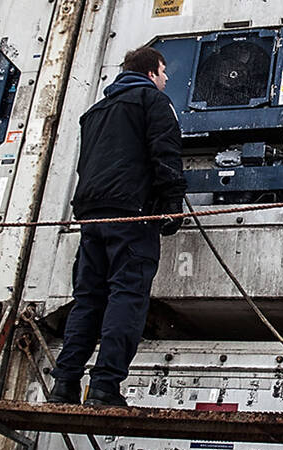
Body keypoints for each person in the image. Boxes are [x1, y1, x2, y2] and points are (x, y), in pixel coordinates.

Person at [48, 47, 186, 408]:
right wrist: (172, 205)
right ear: (152, 71)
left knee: (88, 299)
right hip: (131, 215)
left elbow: (86, 166)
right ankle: (105, 387)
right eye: (164, 70)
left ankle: (64, 385)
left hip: (92, 216)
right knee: (126, 296)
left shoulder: (94, 112)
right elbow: (165, 153)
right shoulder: (153, 102)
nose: (167, 78)